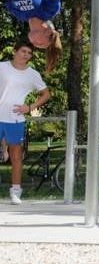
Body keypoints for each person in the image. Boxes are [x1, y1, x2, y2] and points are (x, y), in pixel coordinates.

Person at [0, 41, 50, 204]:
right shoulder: (2, 67)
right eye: (23, 51)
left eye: (29, 53)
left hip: (15, 119)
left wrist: (30, 107)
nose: (26, 55)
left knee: (16, 156)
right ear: (15, 51)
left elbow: (46, 94)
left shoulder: (32, 74)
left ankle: (15, 192)